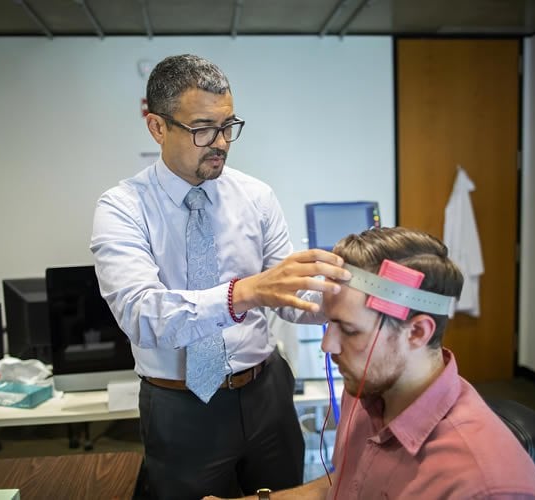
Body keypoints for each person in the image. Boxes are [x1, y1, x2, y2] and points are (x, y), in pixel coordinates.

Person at [90, 54, 351, 499]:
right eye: (203, 129)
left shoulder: (255, 196)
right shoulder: (122, 208)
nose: (222, 142)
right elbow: (143, 315)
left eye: (229, 125)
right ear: (157, 127)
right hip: (179, 406)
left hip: (265, 391)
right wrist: (245, 293)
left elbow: (288, 298)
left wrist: (349, 300)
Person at [206, 227, 535, 499]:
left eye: (350, 330)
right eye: (330, 323)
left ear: (416, 333)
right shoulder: (365, 390)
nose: (328, 345)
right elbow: (347, 487)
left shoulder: (485, 486)